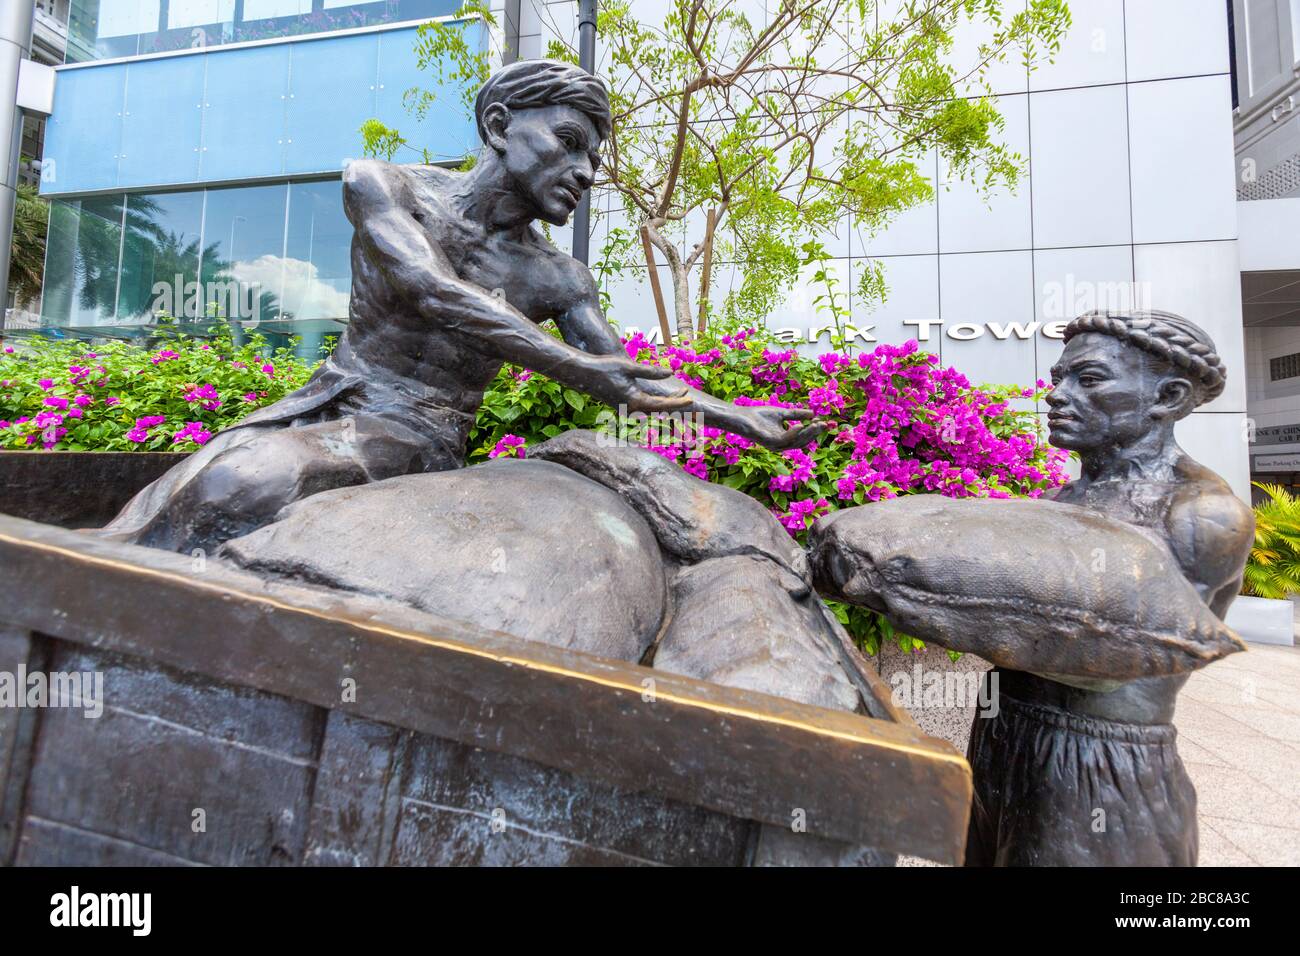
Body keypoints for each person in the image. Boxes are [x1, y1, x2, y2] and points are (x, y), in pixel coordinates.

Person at [101, 60, 819, 554]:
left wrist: (736, 416)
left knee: (247, 477)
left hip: (415, 433)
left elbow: (630, 377)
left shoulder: (559, 278)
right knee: (186, 482)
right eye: (570, 144)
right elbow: (433, 290)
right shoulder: (384, 185)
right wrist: (578, 367)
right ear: (501, 125)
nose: (585, 173)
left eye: (594, 160)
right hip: (326, 400)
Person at [964, 309, 1254, 866]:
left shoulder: (1201, 515)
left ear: (1166, 398)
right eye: (1058, 378)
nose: (1056, 395)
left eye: (1088, 379)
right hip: (1001, 736)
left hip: (1098, 759)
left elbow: (1113, 655)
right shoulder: (1054, 503)